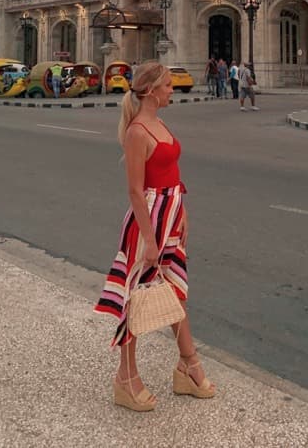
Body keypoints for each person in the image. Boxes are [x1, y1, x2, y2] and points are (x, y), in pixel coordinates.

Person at [94, 61, 215, 411]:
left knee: (175, 292)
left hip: (170, 217)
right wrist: (149, 240)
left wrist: (183, 213)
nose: (172, 90)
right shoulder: (136, 132)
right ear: (150, 91)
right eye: (166, 85)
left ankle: (187, 366)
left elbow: (171, 174)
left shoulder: (159, 123)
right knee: (134, 301)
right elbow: (135, 190)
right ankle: (126, 378)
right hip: (147, 223)